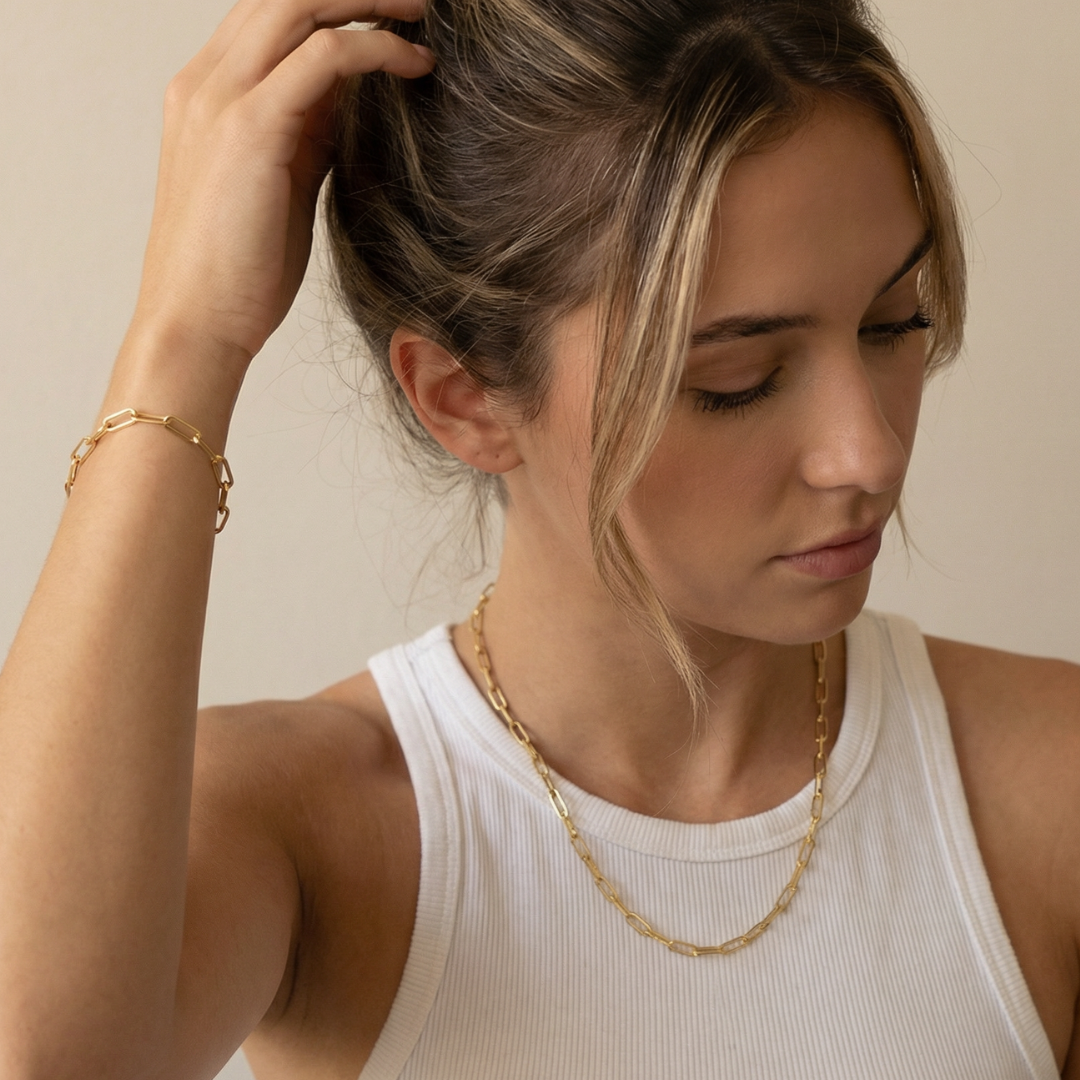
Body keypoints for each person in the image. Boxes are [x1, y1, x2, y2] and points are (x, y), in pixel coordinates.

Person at [0, 0, 1077, 1076]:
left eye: (895, 324)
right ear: (466, 399)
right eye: (735, 383)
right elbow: (46, 1053)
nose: (868, 453)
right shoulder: (317, 831)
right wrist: (187, 334)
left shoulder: (1044, 790)